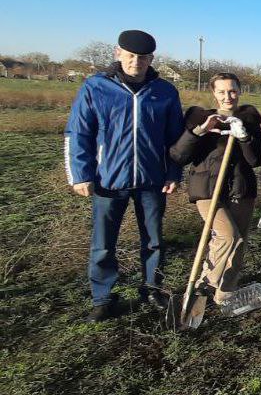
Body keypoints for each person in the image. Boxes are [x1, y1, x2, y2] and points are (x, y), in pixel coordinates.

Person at [64, 30, 184, 322]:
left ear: (151, 59)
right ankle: (103, 297)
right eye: (130, 56)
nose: (136, 62)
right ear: (118, 54)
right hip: (108, 180)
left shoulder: (165, 91)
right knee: (104, 242)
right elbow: (78, 133)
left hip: (152, 180)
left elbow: (176, 140)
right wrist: (80, 174)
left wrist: (173, 173)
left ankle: (152, 287)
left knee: (154, 240)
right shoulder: (96, 87)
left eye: (142, 57)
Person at [169, 72, 261, 305]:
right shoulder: (199, 118)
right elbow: (179, 155)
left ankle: (225, 293)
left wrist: (243, 136)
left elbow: (255, 160)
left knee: (239, 241)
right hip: (207, 189)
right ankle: (204, 285)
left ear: (239, 91)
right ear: (214, 93)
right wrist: (199, 131)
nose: (227, 96)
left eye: (232, 90)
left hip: (241, 188)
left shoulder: (250, 121)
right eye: (221, 91)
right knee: (226, 235)